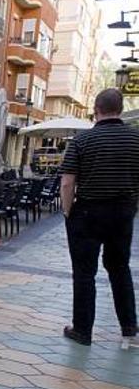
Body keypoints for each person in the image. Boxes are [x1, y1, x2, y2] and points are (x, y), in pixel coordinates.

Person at [60, 88, 139, 347]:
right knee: (119, 269)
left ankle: (82, 330)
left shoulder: (82, 141)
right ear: (120, 109)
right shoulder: (135, 140)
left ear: (96, 109)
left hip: (88, 212)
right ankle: (129, 328)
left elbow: (67, 182)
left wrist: (67, 211)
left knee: (84, 273)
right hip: (122, 211)